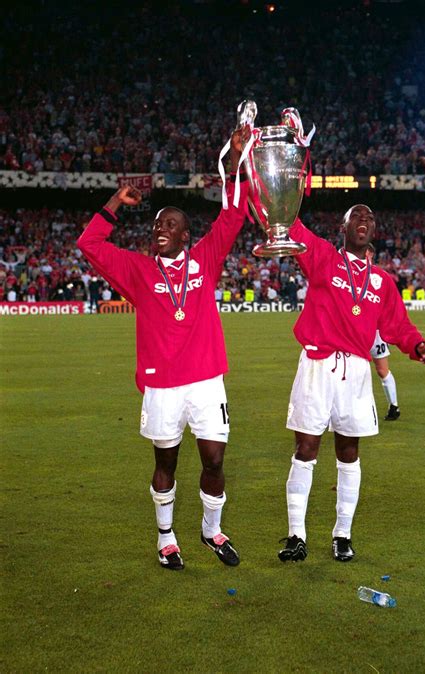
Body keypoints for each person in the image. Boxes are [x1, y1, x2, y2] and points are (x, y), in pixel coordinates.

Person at [77, 129, 247, 571]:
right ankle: (166, 537)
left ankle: (211, 530)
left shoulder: (205, 260)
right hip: (162, 385)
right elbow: (89, 245)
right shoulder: (136, 270)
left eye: (169, 225)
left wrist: (235, 167)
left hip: (207, 380)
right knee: (165, 461)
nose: (159, 231)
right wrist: (115, 203)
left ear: (186, 235)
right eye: (156, 226)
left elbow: (231, 217)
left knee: (214, 458)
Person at [278, 204, 425, 564]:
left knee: (348, 453)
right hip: (317, 366)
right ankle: (296, 535)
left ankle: (342, 534)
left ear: (374, 231)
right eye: (356, 217)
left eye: (369, 219)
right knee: (305, 449)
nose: (363, 222)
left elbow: (399, 327)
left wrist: (418, 345)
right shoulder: (322, 258)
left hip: (356, 372)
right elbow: (291, 225)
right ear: (343, 226)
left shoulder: (381, 281)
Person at [366, 244, 400, 421]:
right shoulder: (349, 273)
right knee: (353, 370)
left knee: (382, 370)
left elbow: (390, 304)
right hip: (354, 330)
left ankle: (394, 406)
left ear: (370, 253)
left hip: (376, 331)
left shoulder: (380, 277)